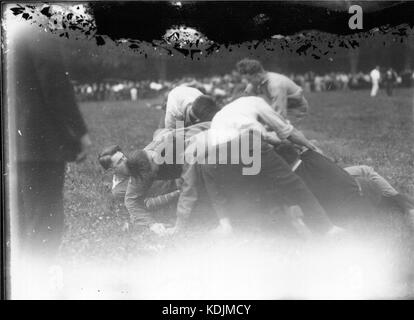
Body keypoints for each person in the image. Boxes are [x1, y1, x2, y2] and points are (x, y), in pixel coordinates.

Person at [169, 97, 342, 236]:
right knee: (292, 184)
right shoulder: (258, 102)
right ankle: (326, 228)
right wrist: (311, 147)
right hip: (247, 146)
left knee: (238, 190)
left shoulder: (223, 115)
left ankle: (227, 225)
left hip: (212, 160)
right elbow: (286, 131)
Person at [8, 20, 92, 260]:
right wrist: (78, 131)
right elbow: (54, 82)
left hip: (14, 139)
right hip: (37, 140)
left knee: (19, 228)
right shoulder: (36, 23)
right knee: (43, 226)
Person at [98, 123, 212, 231]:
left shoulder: (146, 158)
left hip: (202, 152)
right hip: (180, 186)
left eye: (123, 157)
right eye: (119, 162)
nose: (125, 161)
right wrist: (152, 224)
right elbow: (137, 202)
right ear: (111, 170)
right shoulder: (127, 181)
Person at [236, 58, 309, 123]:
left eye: (249, 80)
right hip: (281, 106)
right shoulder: (257, 80)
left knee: (273, 133)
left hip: (295, 111)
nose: (249, 83)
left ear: (258, 75)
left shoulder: (276, 84)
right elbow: (246, 99)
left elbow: (279, 115)